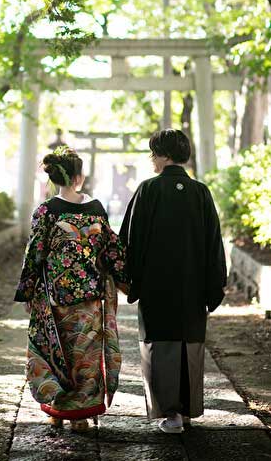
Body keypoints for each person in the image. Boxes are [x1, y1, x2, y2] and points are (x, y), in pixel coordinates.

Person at [119, 129, 227, 434]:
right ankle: (188, 410)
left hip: (156, 287)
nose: (152, 159)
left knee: (159, 345)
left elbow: (131, 241)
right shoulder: (201, 192)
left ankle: (170, 415)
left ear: (164, 155)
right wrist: (213, 285)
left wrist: (128, 280)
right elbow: (214, 245)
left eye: (153, 153)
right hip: (192, 289)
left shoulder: (148, 190)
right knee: (189, 345)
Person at [14, 146, 127, 431]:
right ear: (79, 176)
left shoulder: (46, 211)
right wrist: (127, 281)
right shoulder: (96, 211)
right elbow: (112, 251)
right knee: (85, 359)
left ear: (55, 177)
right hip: (89, 298)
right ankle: (83, 415)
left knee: (55, 354)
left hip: (55, 299)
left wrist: (27, 291)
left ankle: (58, 410)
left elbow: (34, 253)